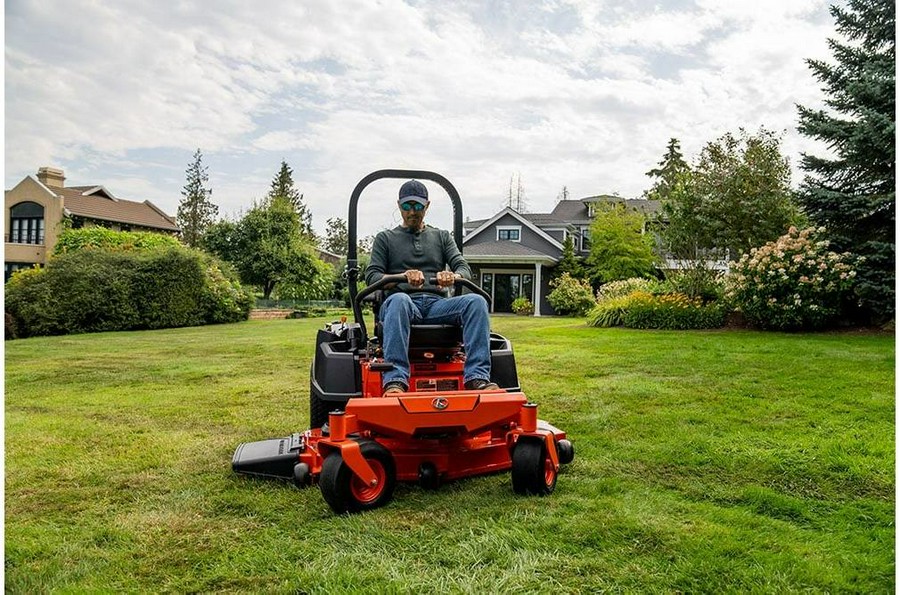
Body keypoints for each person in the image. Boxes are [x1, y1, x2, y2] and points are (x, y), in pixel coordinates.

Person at [365, 179, 499, 394]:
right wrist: (401, 277)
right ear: (399, 205)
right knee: (399, 300)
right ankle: (395, 381)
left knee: (476, 301)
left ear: (427, 206)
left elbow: (464, 268)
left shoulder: (442, 237)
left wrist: (452, 276)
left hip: (437, 305)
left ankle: (477, 378)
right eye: (407, 206)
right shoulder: (385, 239)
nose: (412, 212)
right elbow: (372, 277)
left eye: (418, 206)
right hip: (402, 304)